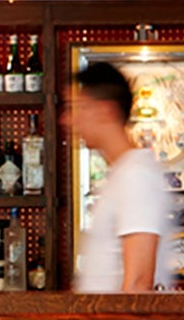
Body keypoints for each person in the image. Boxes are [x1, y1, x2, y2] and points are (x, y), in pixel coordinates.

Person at [64, 61, 173, 292]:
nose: (69, 120)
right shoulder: (124, 173)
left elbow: (138, 283)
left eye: (80, 108)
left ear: (106, 111)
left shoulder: (137, 176)